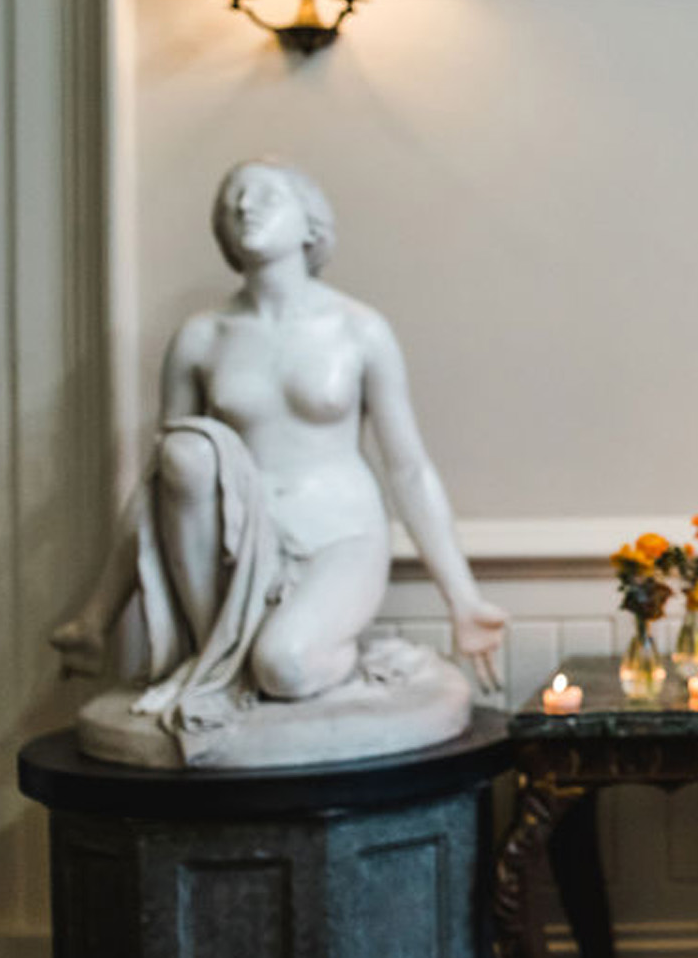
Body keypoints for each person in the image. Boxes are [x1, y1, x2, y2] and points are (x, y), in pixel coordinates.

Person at [51, 159, 506, 753]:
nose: (245, 206)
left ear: (310, 222)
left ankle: (302, 654)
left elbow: (409, 469)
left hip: (339, 535)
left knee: (285, 666)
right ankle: (217, 656)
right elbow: (162, 483)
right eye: (233, 200)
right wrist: (97, 616)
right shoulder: (202, 337)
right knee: (186, 450)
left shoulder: (358, 329)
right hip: (237, 549)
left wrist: (464, 600)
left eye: (265, 195)